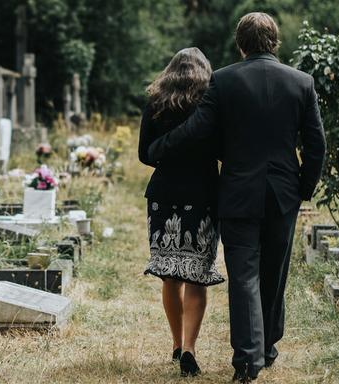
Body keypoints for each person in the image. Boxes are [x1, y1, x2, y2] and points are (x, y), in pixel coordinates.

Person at [147, 13, 326, 383]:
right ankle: (267, 347)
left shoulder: (224, 80)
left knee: (244, 275)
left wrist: (159, 147)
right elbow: (316, 146)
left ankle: (247, 361)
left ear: (241, 44)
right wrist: (302, 189)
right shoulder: (302, 82)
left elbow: (197, 128)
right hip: (283, 194)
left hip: (238, 193)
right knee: (274, 273)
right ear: (274, 42)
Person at [138, 47, 224, 378]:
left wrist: (168, 155)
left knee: (169, 275)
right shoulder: (210, 103)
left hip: (163, 194)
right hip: (202, 194)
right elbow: (221, 149)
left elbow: (145, 154)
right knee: (196, 275)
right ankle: (190, 348)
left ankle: (175, 344)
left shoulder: (157, 102)